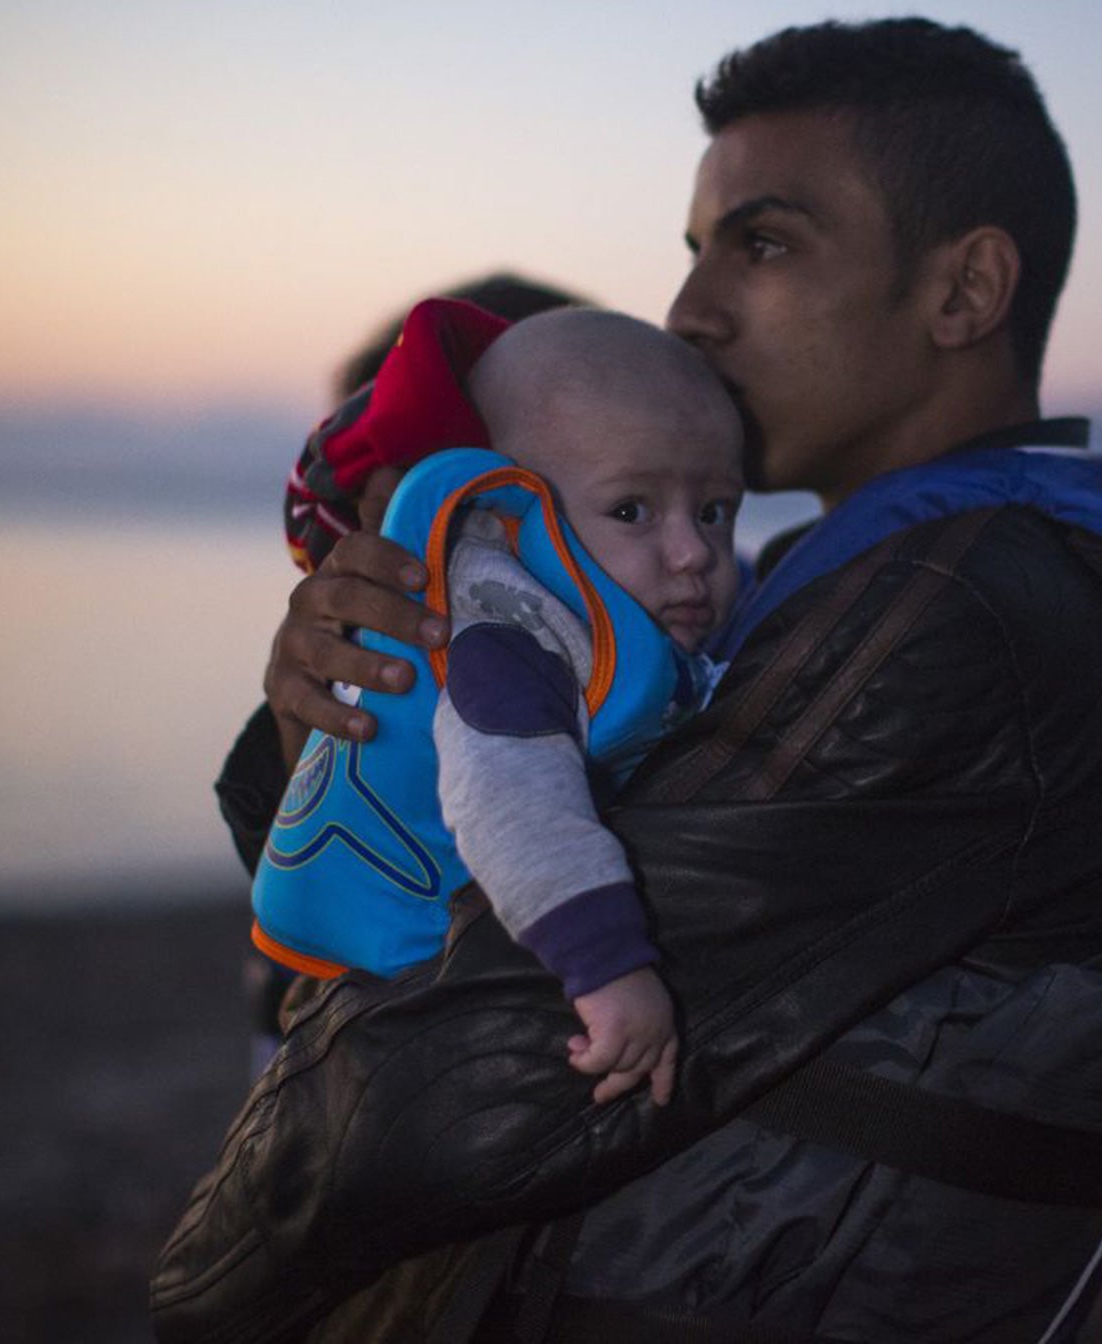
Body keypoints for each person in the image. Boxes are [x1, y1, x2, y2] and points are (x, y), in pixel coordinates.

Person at [154, 17, 1102, 1343]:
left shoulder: (969, 612)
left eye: (766, 243)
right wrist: (337, 717)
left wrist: (193, 1291)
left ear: (965, 292)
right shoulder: (853, 572)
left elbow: (478, 1072)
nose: (689, 310)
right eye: (695, 252)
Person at [251, 304, 744, 1108]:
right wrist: (611, 969)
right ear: (511, 515)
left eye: (716, 511)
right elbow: (513, 801)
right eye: (632, 510)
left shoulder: (632, 609)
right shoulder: (507, 640)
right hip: (416, 990)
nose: (694, 552)